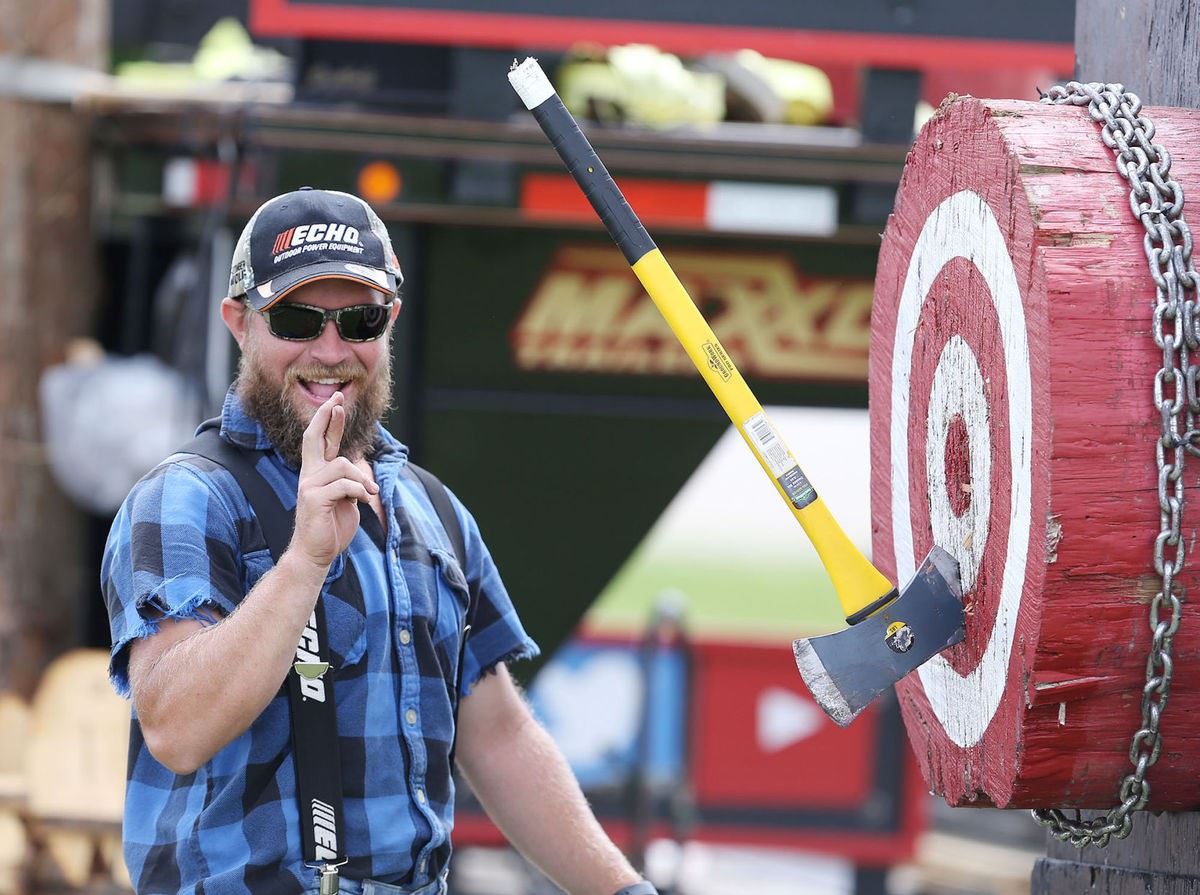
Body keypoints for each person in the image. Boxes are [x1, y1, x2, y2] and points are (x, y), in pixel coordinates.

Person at [102, 187, 657, 895]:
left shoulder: (432, 511)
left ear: (389, 321)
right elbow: (175, 727)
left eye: (358, 319)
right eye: (298, 318)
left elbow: (498, 736)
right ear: (239, 323)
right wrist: (304, 562)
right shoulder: (189, 498)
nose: (330, 351)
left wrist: (625, 890)